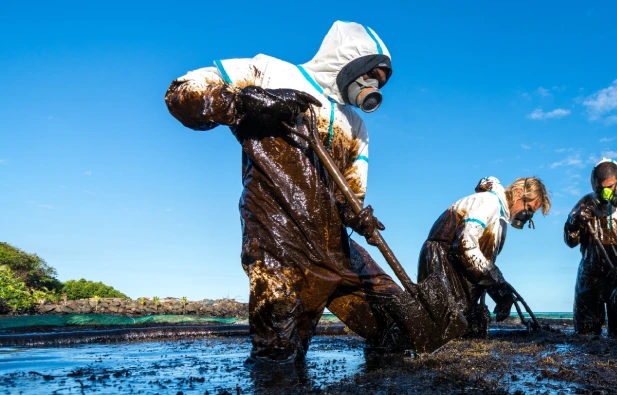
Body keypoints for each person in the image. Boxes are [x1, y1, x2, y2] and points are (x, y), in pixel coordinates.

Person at [166, 21, 410, 364]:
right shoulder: (269, 71)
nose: (372, 86)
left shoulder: (356, 125)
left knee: (401, 324)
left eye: (380, 83)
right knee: (279, 354)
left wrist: (358, 215)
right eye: (371, 75)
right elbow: (181, 93)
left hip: (334, 246)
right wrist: (247, 101)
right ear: (351, 61)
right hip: (277, 237)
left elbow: (351, 194)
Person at [417, 176, 550, 338]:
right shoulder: (489, 203)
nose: (526, 216)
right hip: (440, 260)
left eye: (531, 214)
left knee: (467, 327)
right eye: (528, 208)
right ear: (518, 193)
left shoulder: (501, 220)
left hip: (455, 263)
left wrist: (500, 293)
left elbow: (484, 263)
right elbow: (465, 244)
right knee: (444, 326)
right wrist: (498, 284)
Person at [564, 159, 617, 337]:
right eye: (599, 190)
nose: (605, 194)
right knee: (585, 335)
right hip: (589, 278)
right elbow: (571, 242)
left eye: (609, 187)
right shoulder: (585, 203)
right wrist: (573, 224)